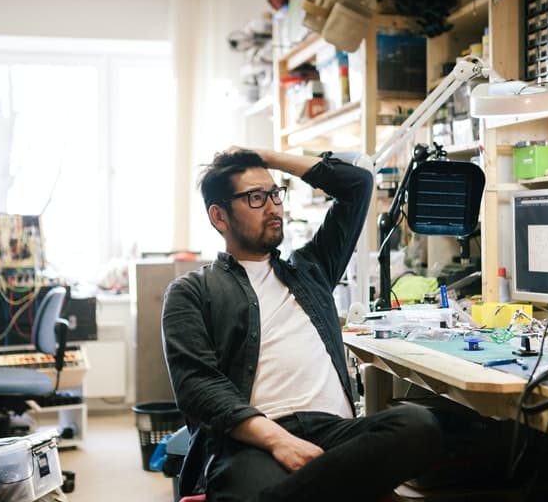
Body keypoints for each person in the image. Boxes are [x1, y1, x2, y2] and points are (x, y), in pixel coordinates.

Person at [162, 148, 442, 502]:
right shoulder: (191, 291)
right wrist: (280, 442)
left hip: (335, 433)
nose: (273, 207)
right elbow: (197, 386)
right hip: (252, 441)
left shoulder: (311, 269)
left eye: (275, 194)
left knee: (419, 426)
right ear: (219, 216)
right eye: (255, 197)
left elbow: (357, 185)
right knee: (247, 487)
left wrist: (264, 156)